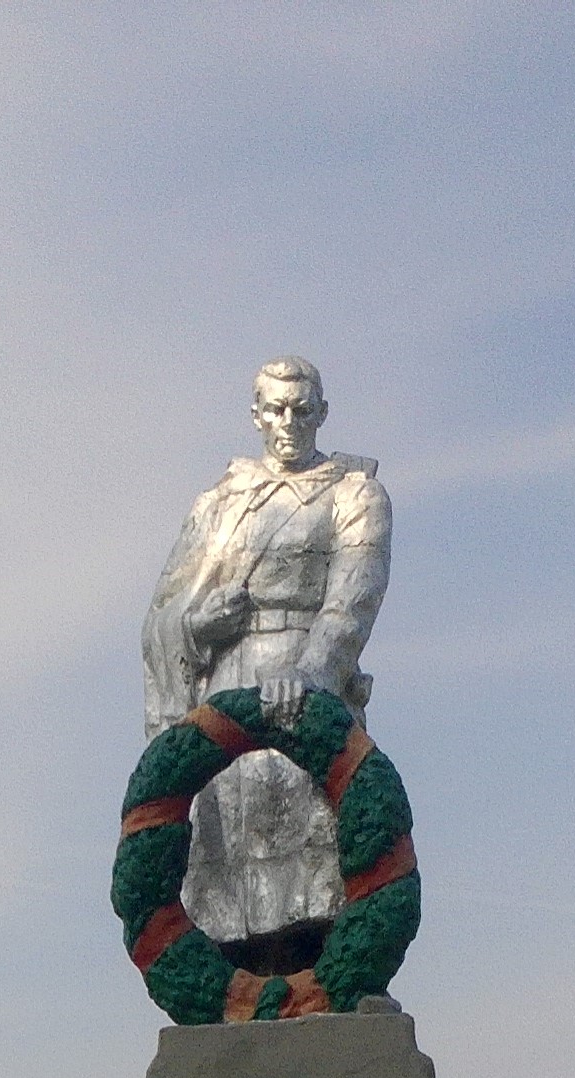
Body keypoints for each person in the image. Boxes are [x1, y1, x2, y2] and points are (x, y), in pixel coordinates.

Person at [139, 358, 392, 972]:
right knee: (229, 851)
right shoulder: (220, 502)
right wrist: (197, 624)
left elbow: (352, 601)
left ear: (322, 413)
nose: (289, 423)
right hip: (224, 691)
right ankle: (237, 983)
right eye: (276, 409)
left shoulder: (354, 493)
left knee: (315, 844)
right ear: (256, 415)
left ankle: (325, 978)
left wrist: (309, 674)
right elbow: (164, 610)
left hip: (304, 685)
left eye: (302, 410)